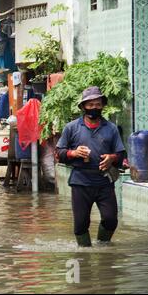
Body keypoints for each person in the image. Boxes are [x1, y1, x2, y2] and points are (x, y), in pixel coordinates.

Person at [55, 86, 126, 247]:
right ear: (83, 107)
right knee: (80, 224)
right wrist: (73, 153)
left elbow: (121, 154)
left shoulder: (111, 129)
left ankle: (103, 247)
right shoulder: (71, 128)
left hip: (104, 181)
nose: (95, 107)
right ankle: (85, 253)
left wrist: (111, 158)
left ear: (102, 106)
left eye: (98, 104)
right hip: (80, 182)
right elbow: (59, 153)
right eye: (90, 104)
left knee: (110, 220)